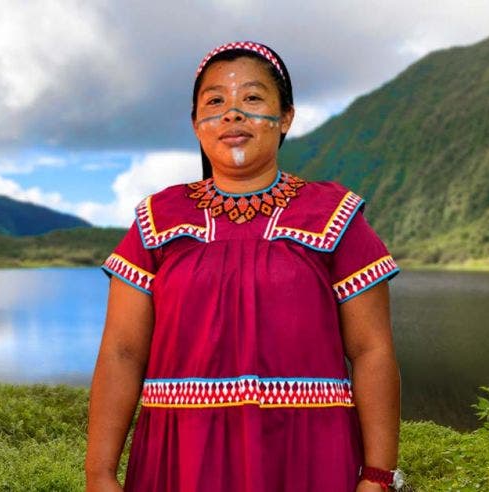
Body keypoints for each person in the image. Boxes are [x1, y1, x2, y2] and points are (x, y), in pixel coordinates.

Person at [85, 41, 404, 492]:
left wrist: (377, 476)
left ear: (286, 117)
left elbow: (372, 350)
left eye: (252, 98)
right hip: (179, 459)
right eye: (215, 101)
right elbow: (122, 352)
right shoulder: (156, 220)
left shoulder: (334, 215)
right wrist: (99, 474)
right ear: (197, 124)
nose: (232, 113)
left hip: (307, 457)